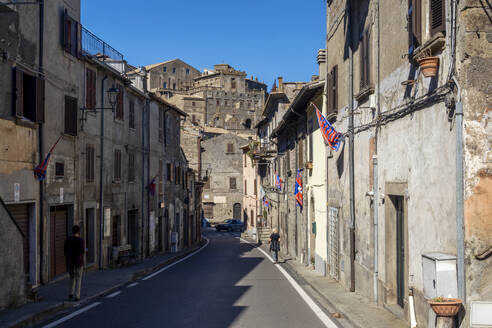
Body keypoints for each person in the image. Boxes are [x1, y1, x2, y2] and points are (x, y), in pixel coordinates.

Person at [64, 225, 85, 301]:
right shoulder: (81, 240)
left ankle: (70, 293)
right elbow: (82, 251)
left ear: (72, 231)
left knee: (71, 277)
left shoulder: (68, 239)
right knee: (78, 278)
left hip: (70, 262)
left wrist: (68, 258)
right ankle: (77, 295)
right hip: (78, 261)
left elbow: (65, 250)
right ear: (78, 231)